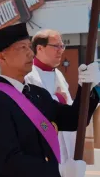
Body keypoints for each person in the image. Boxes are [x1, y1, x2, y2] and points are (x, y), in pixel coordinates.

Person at [0, 22, 100, 177]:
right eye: (22, 48)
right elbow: (7, 161)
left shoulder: (37, 94)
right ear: (2, 56)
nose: (30, 53)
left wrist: (87, 87)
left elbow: (74, 119)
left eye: (30, 47)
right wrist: (57, 171)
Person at [24, 29, 80, 167]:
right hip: (45, 148)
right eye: (56, 46)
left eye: (62, 46)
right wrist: (58, 99)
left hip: (67, 144)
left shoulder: (58, 74)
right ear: (40, 48)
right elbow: (35, 112)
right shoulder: (29, 76)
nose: (61, 50)